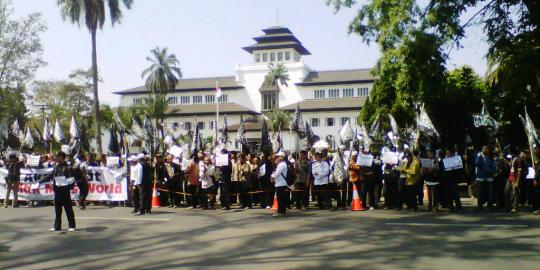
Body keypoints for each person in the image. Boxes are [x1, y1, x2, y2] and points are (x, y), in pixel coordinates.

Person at [49, 151, 76, 232]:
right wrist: (44, 181)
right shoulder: (57, 167)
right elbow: (52, 176)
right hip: (57, 190)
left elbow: (71, 180)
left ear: (60, 157)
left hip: (64, 191)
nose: (56, 158)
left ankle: (72, 225)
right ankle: (57, 226)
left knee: (68, 209)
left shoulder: (67, 167)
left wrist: (67, 187)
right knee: (57, 209)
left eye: (57, 156)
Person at [475, 145, 497, 211]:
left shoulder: (490, 157)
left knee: (490, 192)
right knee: (480, 193)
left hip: (489, 177)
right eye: (483, 149)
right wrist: (479, 156)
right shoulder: (479, 156)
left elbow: (493, 166)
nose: (485, 150)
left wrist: (491, 171)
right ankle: (480, 207)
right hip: (480, 177)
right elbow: (476, 163)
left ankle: (490, 206)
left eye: (486, 149)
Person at [505, 148, 527, 213]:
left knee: (515, 193)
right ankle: (508, 206)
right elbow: (511, 165)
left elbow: (519, 171)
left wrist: (517, 182)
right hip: (510, 177)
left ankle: (515, 207)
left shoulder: (519, 160)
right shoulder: (513, 159)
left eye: (510, 153)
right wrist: (504, 160)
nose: (509, 154)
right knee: (506, 192)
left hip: (515, 178)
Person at [271, 151, 288, 217]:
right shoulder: (281, 164)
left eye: (278, 157)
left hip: (281, 183)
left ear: (281, 157)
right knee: (281, 198)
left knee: (280, 199)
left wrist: (272, 175)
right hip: (280, 183)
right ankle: (282, 211)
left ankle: (280, 211)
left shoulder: (282, 165)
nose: (276, 158)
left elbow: (276, 174)